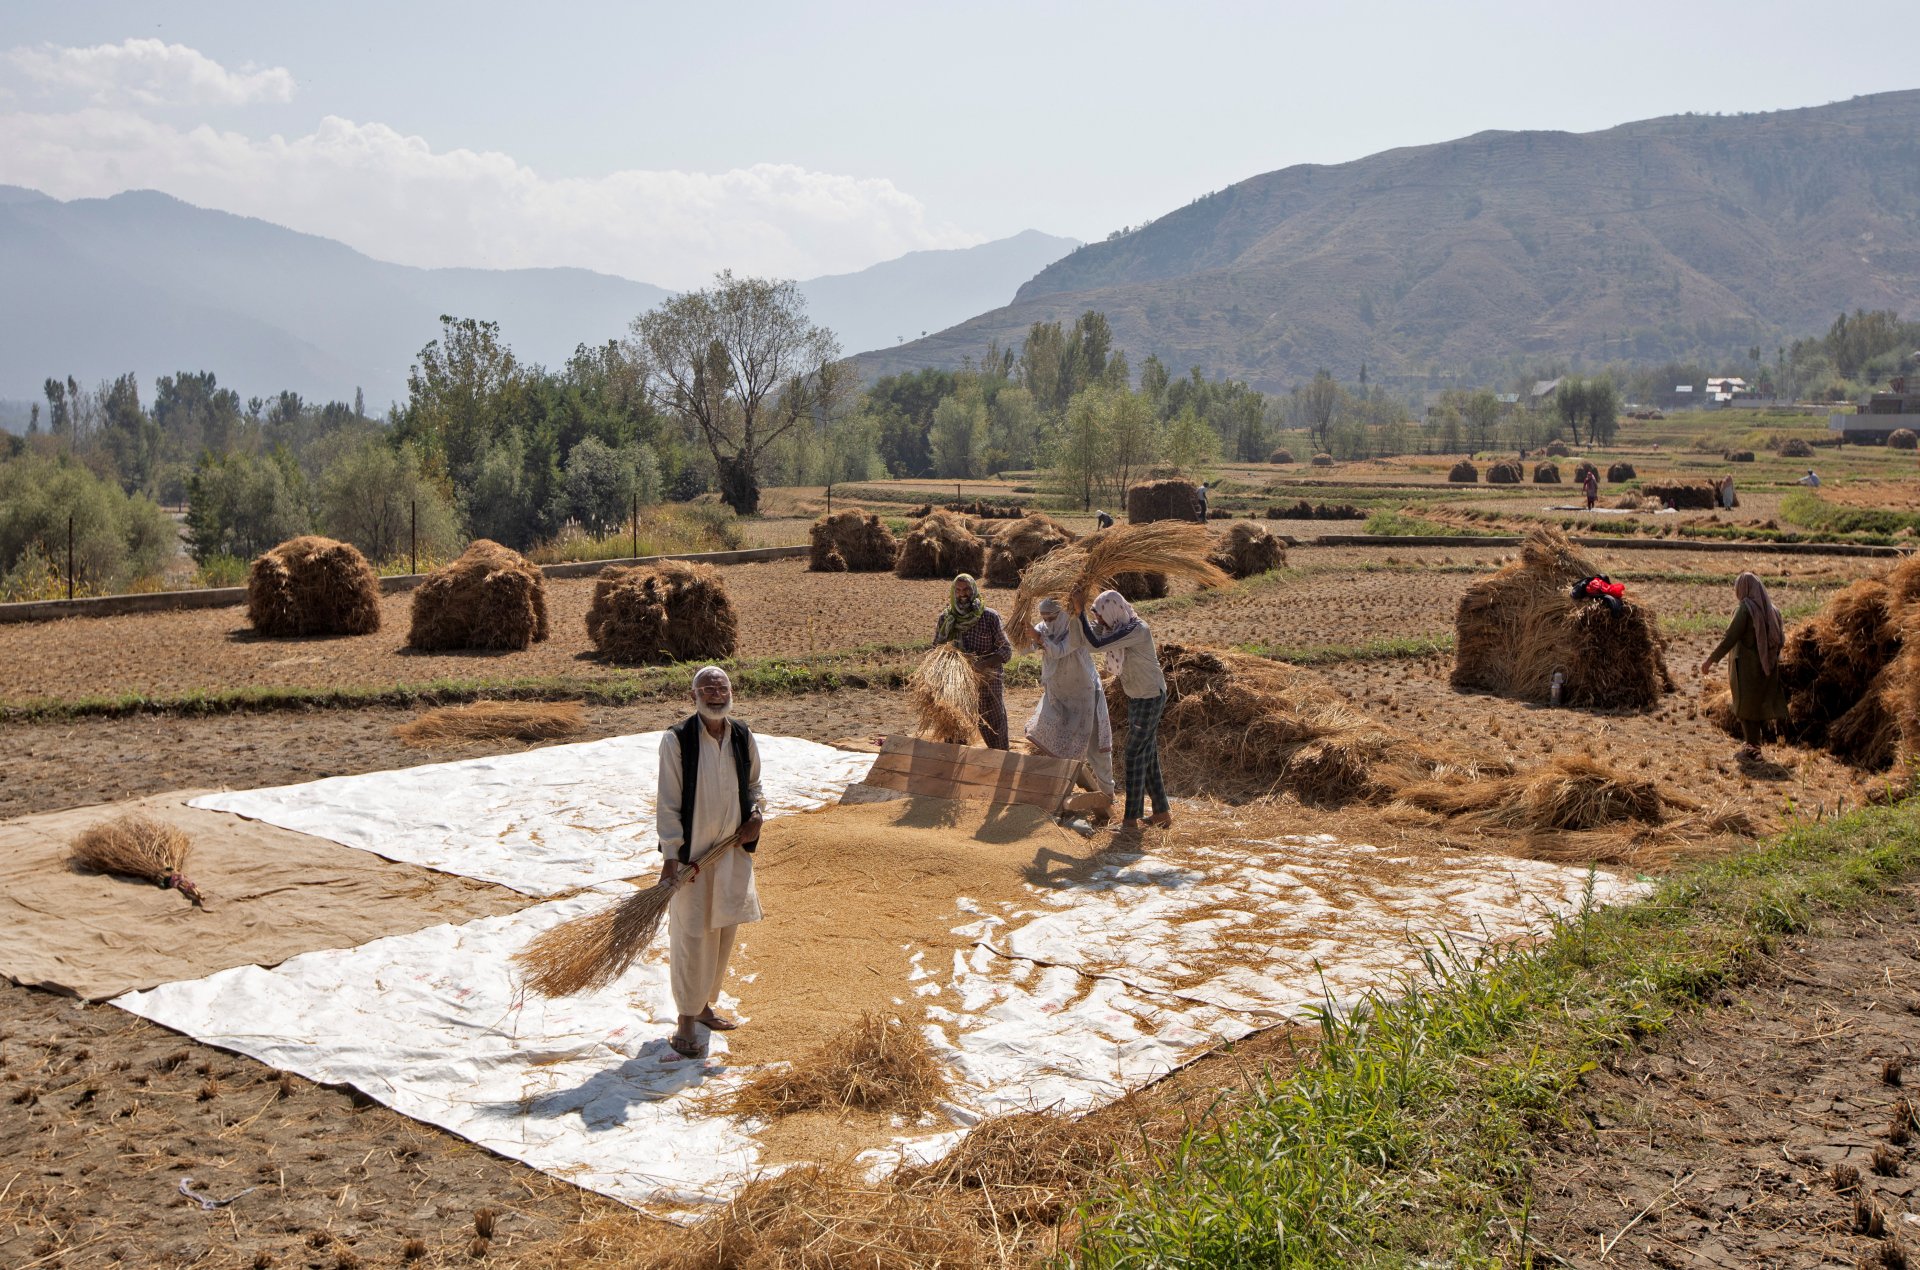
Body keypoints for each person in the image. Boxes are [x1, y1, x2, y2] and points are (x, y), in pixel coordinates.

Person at [657, 666, 764, 1058]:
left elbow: (754, 785)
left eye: (721, 687)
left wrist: (755, 813)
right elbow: (668, 803)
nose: (715, 693)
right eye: (707, 688)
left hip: (731, 852)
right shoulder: (678, 741)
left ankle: (703, 1007)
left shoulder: (742, 735)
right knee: (689, 935)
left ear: (731, 693)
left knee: (721, 931)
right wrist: (671, 855)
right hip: (692, 859)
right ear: (694, 697)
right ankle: (686, 1018)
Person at [1079, 590, 1170, 830]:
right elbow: (1089, 634)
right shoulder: (1116, 628)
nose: (1099, 621)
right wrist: (1073, 616)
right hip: (1138, 696)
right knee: (1147, 756)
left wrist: (1079, 612)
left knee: (1133, 754)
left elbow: (1096, 644)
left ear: (1112, 610)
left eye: (1101, 616)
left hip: (1150, 696)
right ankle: (1162, 813)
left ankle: (1130, 819)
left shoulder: (1135, 630)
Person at [1025, 596, 1116, 809]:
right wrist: (1022, 633)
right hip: (1059, 694)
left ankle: (1108, 796)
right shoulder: (1045, 628)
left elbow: (1058, 651)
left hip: (1084, 695)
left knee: (1094, 748)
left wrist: (1038, 637)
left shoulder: (1076, 629)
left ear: (1062, 613)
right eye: (1044, 618)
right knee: (1057, 738)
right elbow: (1025, 649)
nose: (1047, 622)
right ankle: (1059, 791)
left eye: (1052, 617)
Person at [1699, 572, 1788, 763]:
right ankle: (1753, 744)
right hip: (1766, 667)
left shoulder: (1746, 609)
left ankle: (1753, 747)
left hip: (1746, 668)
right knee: (1756, 705)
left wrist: (1710, 660)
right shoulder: (1771, 609)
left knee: (1744, 705)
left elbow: (1730, 637)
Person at [933, 573, 1013, 750]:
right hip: (957, 686)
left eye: (967, 589)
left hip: (988, 682)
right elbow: (936, 650)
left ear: (974, 590)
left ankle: (1001, 765)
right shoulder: (946, 619)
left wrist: (982, 665)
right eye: (958, 590)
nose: (962, 594)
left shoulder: (989, 617)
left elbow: (1006, 651)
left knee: (995, 729)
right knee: (955, 734)